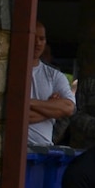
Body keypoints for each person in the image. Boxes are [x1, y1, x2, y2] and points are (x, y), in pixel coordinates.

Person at [24, 22, 75, 151]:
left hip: (44, 148)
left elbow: (68, 108)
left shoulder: (54, 75)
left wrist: (28, 103)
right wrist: (52, 109)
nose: (38, 43)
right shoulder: (12, 71)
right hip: (15, 148)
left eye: (42, 39)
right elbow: (17, 114)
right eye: (34, 37)